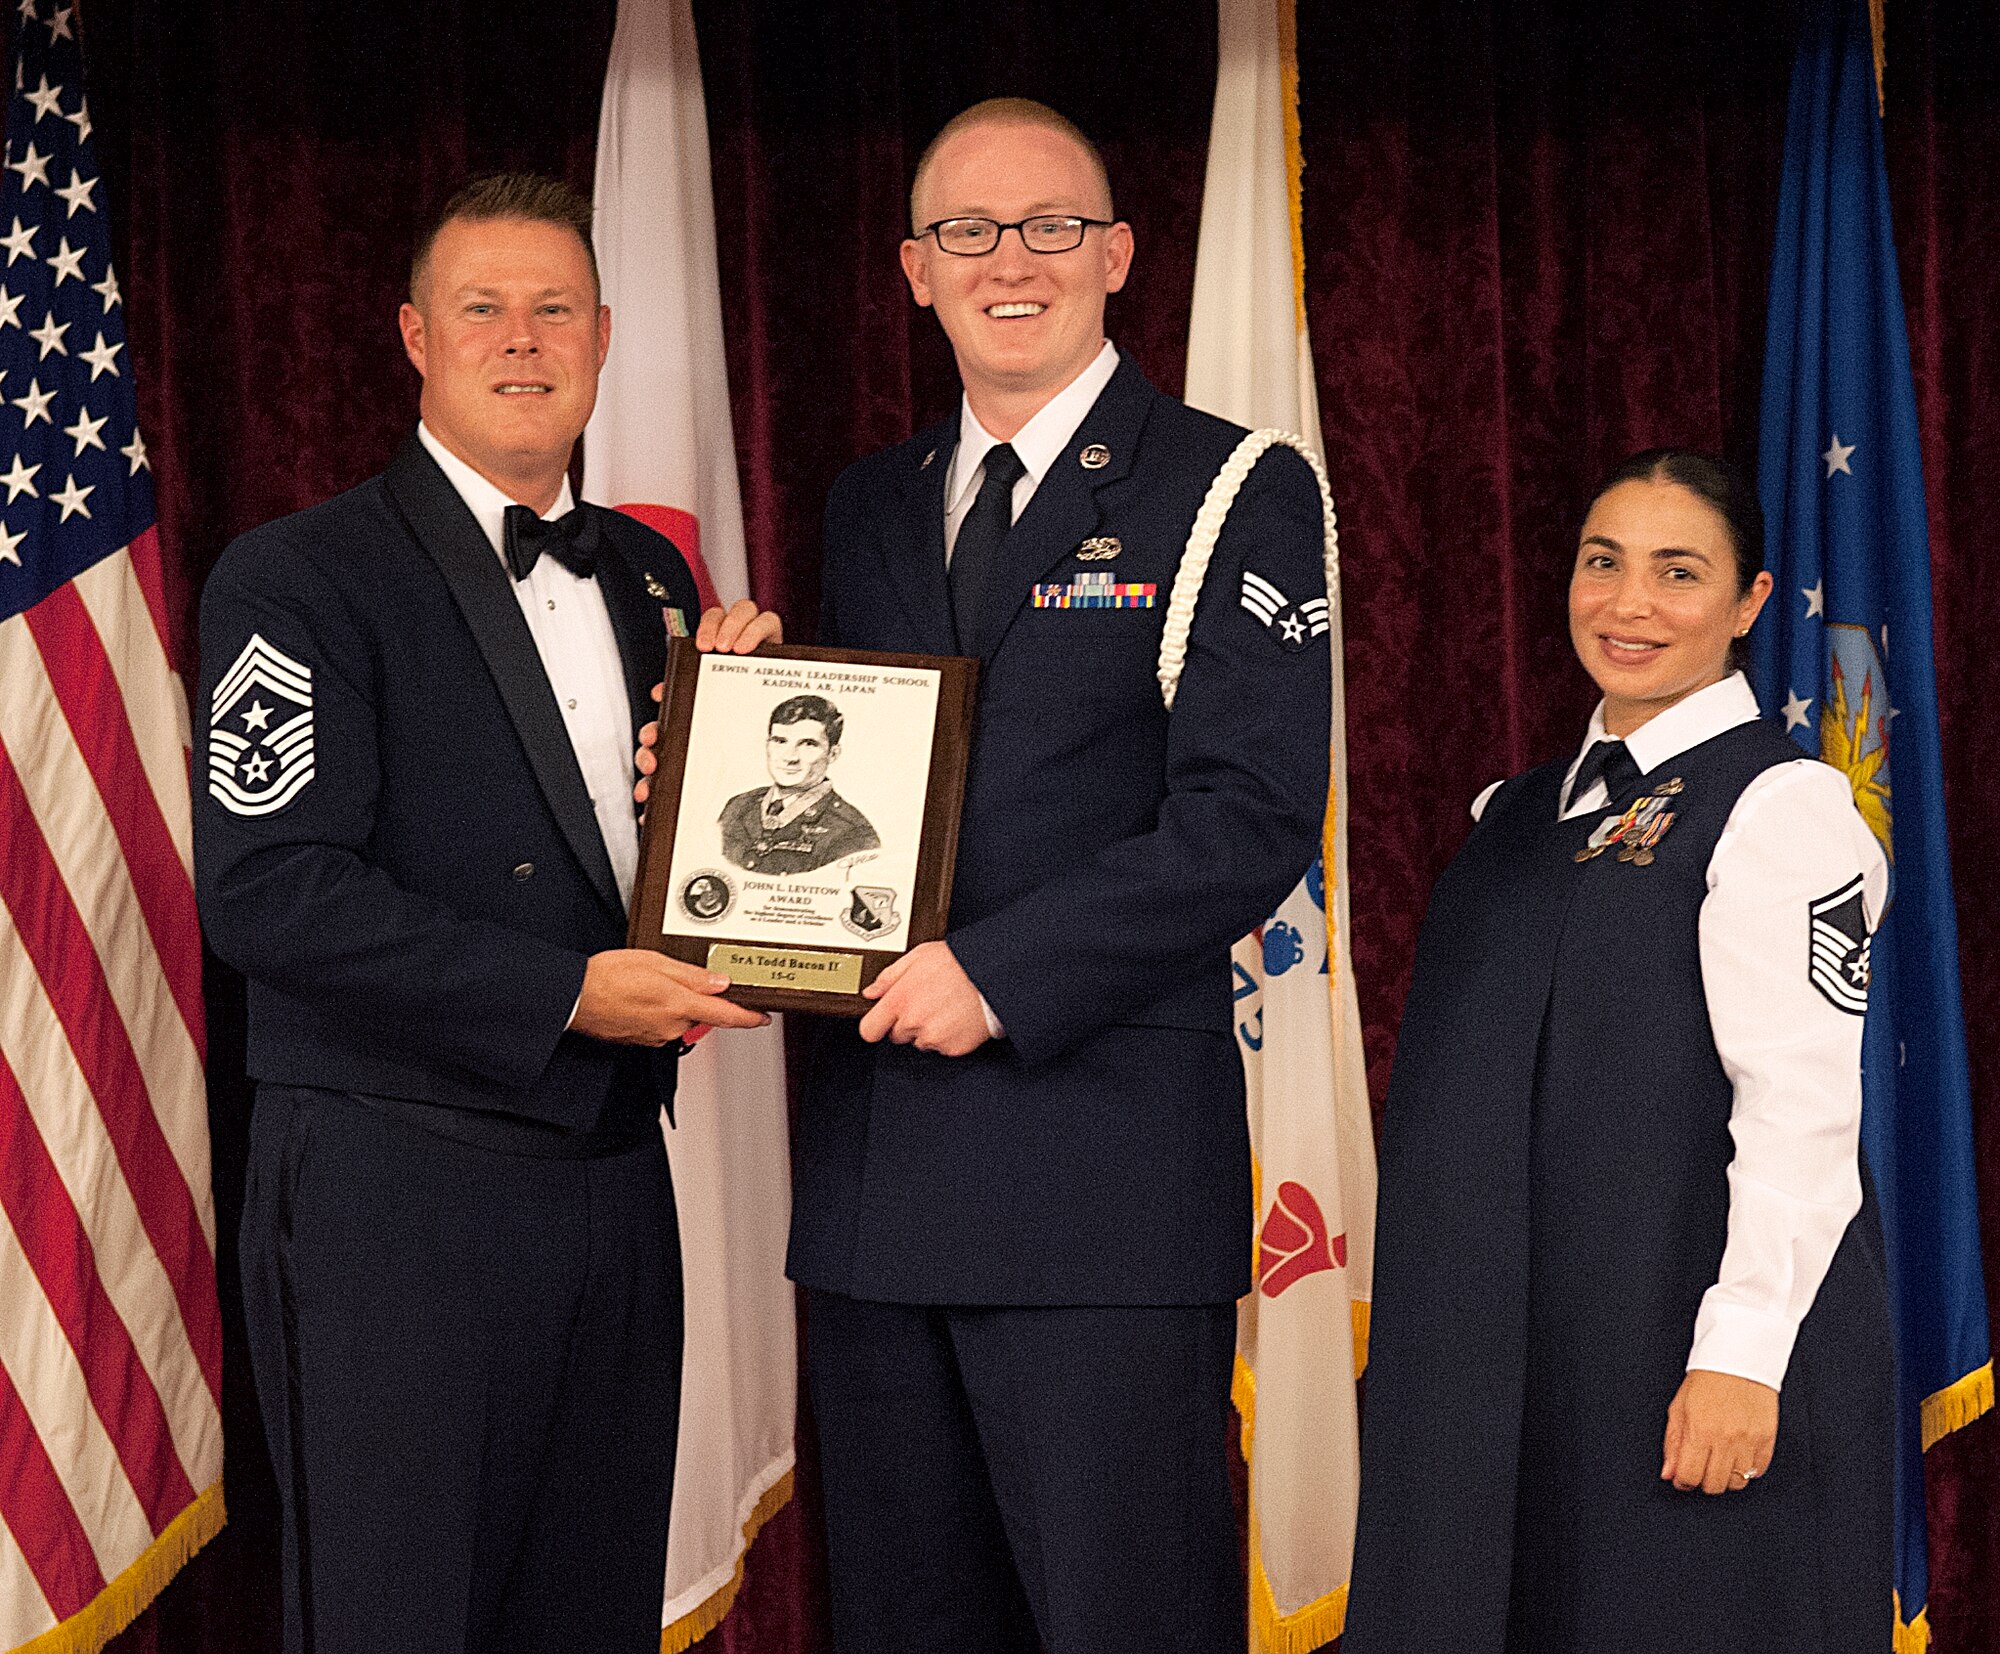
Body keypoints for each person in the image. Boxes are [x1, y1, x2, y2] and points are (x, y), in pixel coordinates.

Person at [642, 98, 1331, 1653]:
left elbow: (1252, 812)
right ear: (911, 268)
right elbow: (870, 791)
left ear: (1118, 255)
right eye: (967, 231)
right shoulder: (872, 502)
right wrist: (714, 755)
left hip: (1097, 1194)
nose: (1009, 262)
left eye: (1051, 228)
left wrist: (1004, 975)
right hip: (884, 1192)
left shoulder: (1230, 487)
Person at [195, 173, 780, 1654]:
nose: (524, 342)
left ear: (602, 333)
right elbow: (274, 890)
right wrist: (570, 994)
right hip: (396, 1192)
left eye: (554, 309)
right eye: (483, 309)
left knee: (591, 1620)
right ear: (413, 335)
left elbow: (665, 868)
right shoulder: (301, 573)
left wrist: (746, 761)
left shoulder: (654, 573)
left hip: (611, 1179)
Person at [1342, 449, 1893, 1654]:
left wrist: (1742, 1357)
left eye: (1675, 571)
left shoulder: (1778, 806)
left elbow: (1799, 1110)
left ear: (1748, 604)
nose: (1627, 603)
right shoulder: (1514, 812)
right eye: (1603, 563)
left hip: (1676, 1356)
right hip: (1500, 1371)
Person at [718, 693, 880, 873]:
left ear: (833, 754)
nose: (790, 757)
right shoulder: (738, 806)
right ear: (767, 745)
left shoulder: (853, 832)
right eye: (780, 741)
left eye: (808, 744)